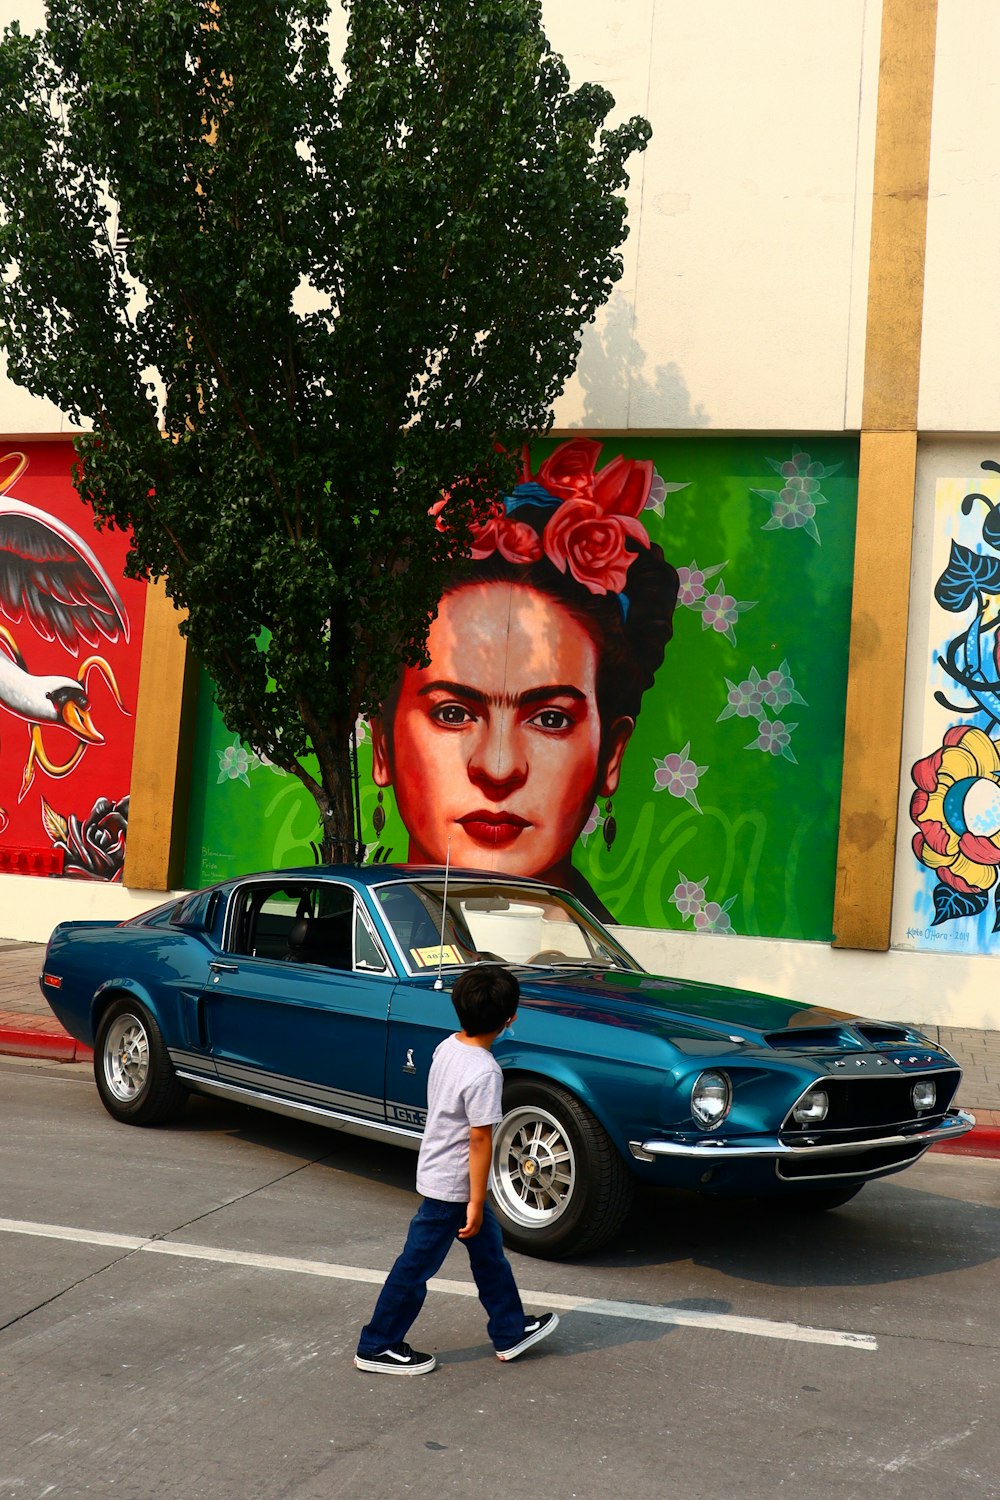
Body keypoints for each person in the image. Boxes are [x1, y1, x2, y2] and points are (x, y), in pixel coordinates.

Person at [370, 438, 679, 922]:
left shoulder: (611, 984)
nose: (497, 768)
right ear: (381, 747)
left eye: (551, 719)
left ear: (611, 755)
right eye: (453, 713)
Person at [354, 965, 558, 1374]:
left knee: (489, 1258)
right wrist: (477, 1201)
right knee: (415, 1265)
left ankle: (510, 1329)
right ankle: (378, 1343)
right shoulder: (486, 1071)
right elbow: (480, 1139)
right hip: (453, 1187)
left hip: (441, 1170)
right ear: (509, 1020)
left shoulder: (447, 1047)